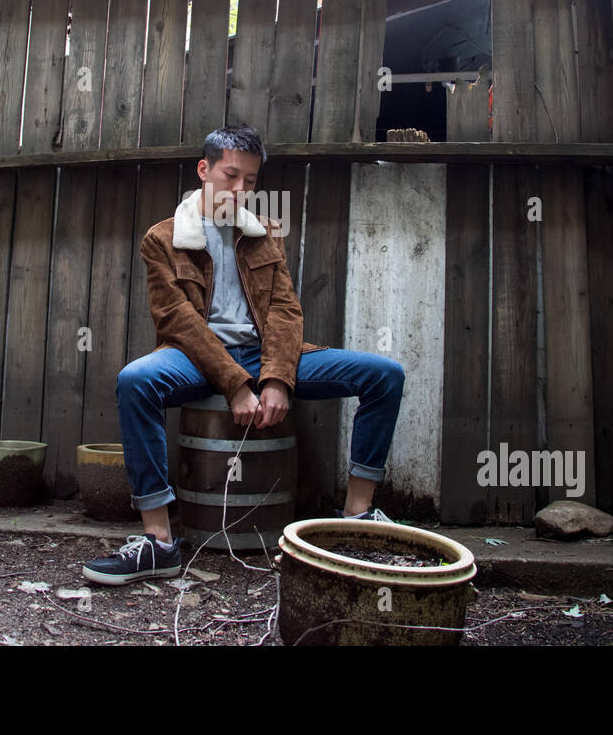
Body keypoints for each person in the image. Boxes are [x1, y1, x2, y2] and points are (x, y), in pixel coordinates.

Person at [82, 125, 405, 585]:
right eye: (230, 176)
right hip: (195, 358)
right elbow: (177, 320)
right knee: (136, 381)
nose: (239, 189)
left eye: (250, 181)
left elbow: (285, 312)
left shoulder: (265, 233)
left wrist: (276, 378)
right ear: (204, 169)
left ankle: (357, 514)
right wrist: (235, 383)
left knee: (385, 375)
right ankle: (158, 542)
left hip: (262, 354)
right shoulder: (164, 237)